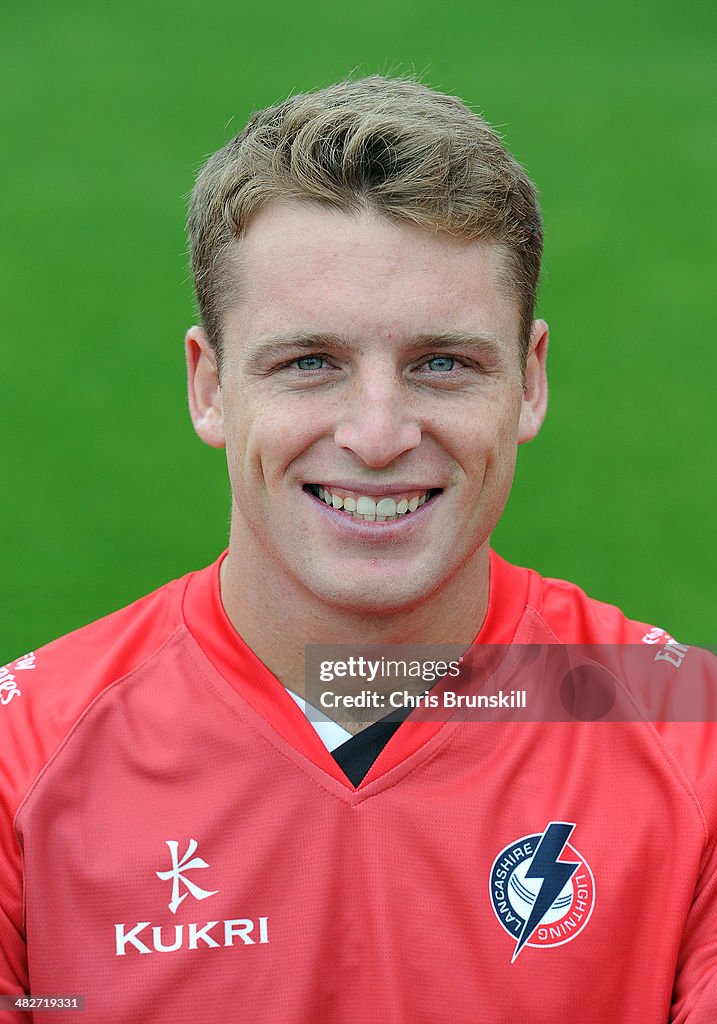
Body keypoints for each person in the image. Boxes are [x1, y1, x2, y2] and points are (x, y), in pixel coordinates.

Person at [1, 76, 715, 1023]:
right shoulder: (23, 759)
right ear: (209, 387)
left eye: (442, 364)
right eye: (310, 363)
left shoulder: (688, 738)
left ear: (529, 382)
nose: (377, 435)